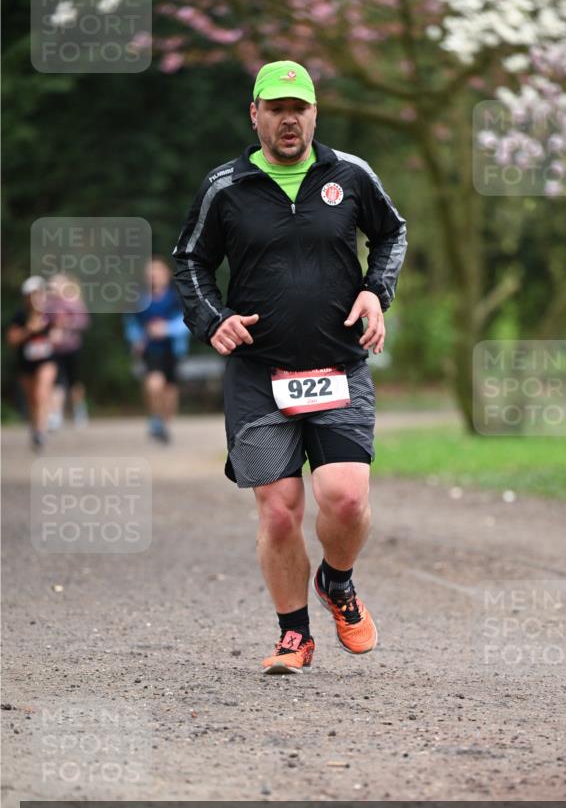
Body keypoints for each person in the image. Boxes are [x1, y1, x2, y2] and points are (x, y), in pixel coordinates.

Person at [173, 60, 407, 674]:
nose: (288, 120)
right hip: (259, 373)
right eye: (275, 109)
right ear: (254, 114)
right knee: (279, 509)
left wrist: (375, 292)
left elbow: (392, 234)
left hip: (338, 366)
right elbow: (191, 261)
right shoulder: (225, 186)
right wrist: (213, 319)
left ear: (314, 113)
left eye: (298, 108)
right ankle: (293, 635)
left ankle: (337, 581)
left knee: (346, 500)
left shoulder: (350, 174)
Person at [124, 257, 190, 443]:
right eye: (150, 273)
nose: (153, 276)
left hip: (172, 350)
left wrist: (166, 329)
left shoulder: (176, 298)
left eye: (157, 272)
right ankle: (155, 419)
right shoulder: (139, 300)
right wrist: (136, 340)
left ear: (166, 274)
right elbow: (131, 323)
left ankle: (164, 425)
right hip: (150, 351)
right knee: (154, 384)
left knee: (170, 391)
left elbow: (187, 322)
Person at [6, 276, 58, 451]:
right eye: (33, 295)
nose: (37, 298)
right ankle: (35, 428)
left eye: (39, 294)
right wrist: (29, 330)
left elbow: (59, 332)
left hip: (46, 361)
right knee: (32, 400)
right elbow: (11, 340)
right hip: (26, 364)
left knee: (41, 393)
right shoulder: (20, 316)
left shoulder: (49, 315)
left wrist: (56, 336)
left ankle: (41, 432)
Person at [46, 273, 91, 430]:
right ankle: (56, 414)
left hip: (72, 348)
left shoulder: (74, 302)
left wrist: (67, 324)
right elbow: (43, 323)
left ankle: (79, 410)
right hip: (54, 349)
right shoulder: (48, 305)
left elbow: (83, 322)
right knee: (56, 382)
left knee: (74, 382)